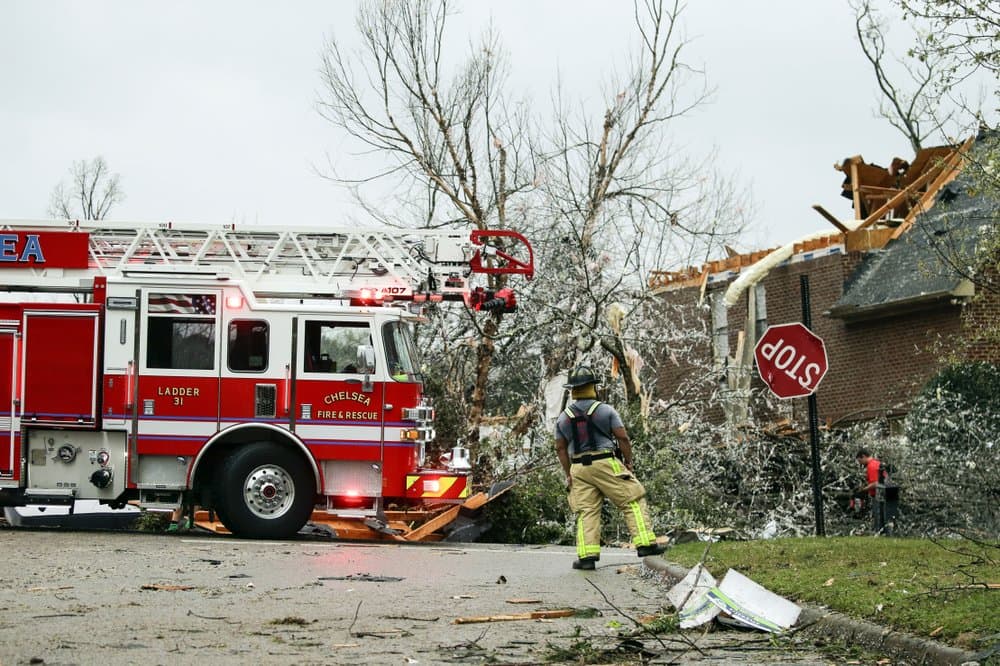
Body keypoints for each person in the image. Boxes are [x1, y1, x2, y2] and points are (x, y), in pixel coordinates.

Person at [554, 366, 666, 570]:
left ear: (573, 390)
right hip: (605, 461)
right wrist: (628, 462)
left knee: (586, 511)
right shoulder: (605, 410)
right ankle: (645, 544)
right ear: (593, 387)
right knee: (632, 499)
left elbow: (560, 448)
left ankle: (586, 558)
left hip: (578, 467)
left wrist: (568, 473)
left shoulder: (563, 418)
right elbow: (622, 437)